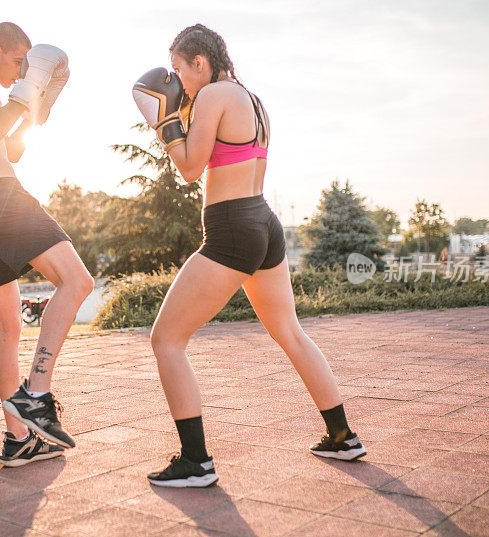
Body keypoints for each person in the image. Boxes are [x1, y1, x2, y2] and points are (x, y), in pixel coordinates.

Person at [132, 24, 366, 488]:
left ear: (200, 62)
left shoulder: (214, 95)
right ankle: (342, 436)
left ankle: (195, 462)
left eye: (180, 69)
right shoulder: (252, 100)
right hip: (263, 222)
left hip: (232, 229)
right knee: (291, 334)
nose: (177, 80)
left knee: (166, 340)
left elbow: (189, 168)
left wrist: (163, 124)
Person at [0, 22, 94, 467]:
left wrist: (39, 101)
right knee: (77, 282)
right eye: (17, 63)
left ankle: (19, 439)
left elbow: (11, 149)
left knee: (8, 328)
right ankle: (37, 393)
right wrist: (26, 91)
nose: (19, 73)